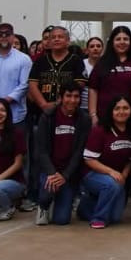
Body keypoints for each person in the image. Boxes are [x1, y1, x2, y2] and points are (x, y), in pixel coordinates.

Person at [33, 83, 89, 226]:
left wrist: (65, 175)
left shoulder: (84, 119)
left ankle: (62, 199)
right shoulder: (48, 116)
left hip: (68, 174)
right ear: (61, 98)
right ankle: (44, 206)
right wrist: (52, 173)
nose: (72, 100)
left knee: (62, 220)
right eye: (68, 96)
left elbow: (79, 152)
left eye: (76, 96)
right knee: (47, 190)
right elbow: (41, 150)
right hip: (50, 171)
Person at [79, 95, 131, 229]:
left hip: (116, 178)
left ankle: (86, 207)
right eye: (117, 108)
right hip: (93, 174)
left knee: (115, 218)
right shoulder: (100, 131)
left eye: (125, 108)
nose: (121, 112)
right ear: (111, 111)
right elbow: (89, 159)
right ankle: (99, 219)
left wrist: (124, 175)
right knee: (111, 185)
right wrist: (111, 172)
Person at [90, 26, 131, 124]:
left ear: (130, 41)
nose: (122, 42)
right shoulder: (102, 63)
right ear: (112, 42)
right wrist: (93, 114)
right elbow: (93, 89)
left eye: (125, 39)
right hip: (105, 115)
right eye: (118, 39)